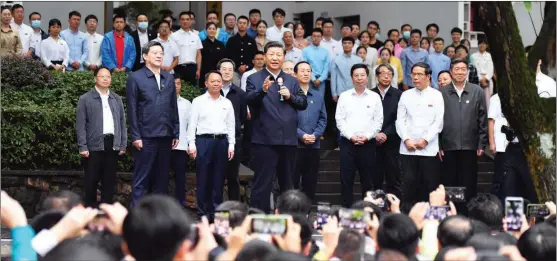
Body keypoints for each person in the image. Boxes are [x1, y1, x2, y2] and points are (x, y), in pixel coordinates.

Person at [246, 41, 308, 213]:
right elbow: (249, 100)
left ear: (284, 57)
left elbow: (303, 103)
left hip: (288, 139)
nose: (275, 58)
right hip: (264, 140)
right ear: (264, 57)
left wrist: (290, 96)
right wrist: (263, 91)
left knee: (288, 184)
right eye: (271, 54)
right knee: (262, 183)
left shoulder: (292, 80)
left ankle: (289, 219)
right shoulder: (254, 79)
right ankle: (258, 218)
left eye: (278, 55)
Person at [126, 41, 179, 207]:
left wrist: (175, 132)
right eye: (155, 52)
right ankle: (137, 217)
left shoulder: (168, 77)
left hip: (165, 135)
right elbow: (132, 108)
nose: (159, 56)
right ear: (145, 56)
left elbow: (173, 106)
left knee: (162, 179)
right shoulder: (136, 77)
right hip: (145, 136)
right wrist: (135, 135)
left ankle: (157, 217)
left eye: (161, 53)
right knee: (142, 177)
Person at [439, 58, 487, 214]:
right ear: (451, 71)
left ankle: (468, 213)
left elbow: (482, 118)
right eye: (457, 69)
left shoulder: (476, 91)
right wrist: (439, 145)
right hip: (448, 145)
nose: (460, 72)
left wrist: (481, 144)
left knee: (469, 181)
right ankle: (451, 212)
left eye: (463, 69)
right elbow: (437, 121)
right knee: (450, 181)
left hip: (470, 145)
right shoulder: (442, 92)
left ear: (467, 71)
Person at [187, 70, 236, 219]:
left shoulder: (227, 103)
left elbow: (231, 125)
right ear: (206, 83)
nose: (216, 83)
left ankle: (216, 213)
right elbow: (192, 124)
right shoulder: (198, 101)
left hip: (222, 142)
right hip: (204, 141)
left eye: (218, 81)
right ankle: (202, 212)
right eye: (213, 81)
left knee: (219, 178)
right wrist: (191, 143)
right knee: (203, 178)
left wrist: (231, 144)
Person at [76, 67, 127, 207]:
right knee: (91, 181)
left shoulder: (116, 99)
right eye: (102, 76)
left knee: (109, 181)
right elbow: (80, 124)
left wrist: (123, 144)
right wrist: (83, 146)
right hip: (93, 145)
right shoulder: (85, 99)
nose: (106, 79)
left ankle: (106, 212)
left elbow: (122, 122)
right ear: (95, 78)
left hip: (112, 144)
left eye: (108, 76)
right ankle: (90, 212)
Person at [396, 62, 444, 208]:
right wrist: (406, 139)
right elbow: (400, 120)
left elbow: (438, 122)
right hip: (408, 148)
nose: (415, 78)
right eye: (413, 74)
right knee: (408, 185)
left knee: (428, 185)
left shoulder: (436, 95)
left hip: (428, 149)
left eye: (419, 74)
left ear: (428, 76)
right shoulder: (405, 95)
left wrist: (425, 139)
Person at [336, 63, 383, 207]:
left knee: (368, 181)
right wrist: (351, 136)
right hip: (347, 144)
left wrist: (367, 136)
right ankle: (346, 210)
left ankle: (368, 210)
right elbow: (339, 120)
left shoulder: (375, 97)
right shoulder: (344, 96)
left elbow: (378, 121)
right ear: (351, 78)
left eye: (362, 75)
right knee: (346, 180)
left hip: (368, 144)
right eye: (356, 75)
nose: (359, 78)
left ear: (367, 77)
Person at [293, 61, 327, 201]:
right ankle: (293, 212)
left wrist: (315, 135)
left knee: (310, 181)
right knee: (293, 181)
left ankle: (307, 212)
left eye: (308, 71)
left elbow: (323, 119)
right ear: (295, 74)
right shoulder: (291, 95)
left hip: (313, 145)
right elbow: (287, 120)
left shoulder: (318, 95)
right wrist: (301, 135)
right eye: (302, 71)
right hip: (295, 144)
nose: (306, 73)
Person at [217, 58, 248, 201]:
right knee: (215, 176)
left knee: (233, 177)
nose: (227, 72)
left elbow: (241, 117)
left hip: (234, 139)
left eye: (230, 69)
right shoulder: (210, 91)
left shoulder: (240, 93)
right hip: (214, 138)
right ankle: (214, 210)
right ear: (218, 71)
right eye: (224, 69)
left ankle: (234, 211)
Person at [372, 64, 403, 198]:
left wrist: (386, 133)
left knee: (394, 177)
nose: (386, 76)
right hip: (373, 142)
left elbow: (401, 119)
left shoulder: (400, 95)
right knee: (374, 178)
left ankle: (395, 207)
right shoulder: (370, 94)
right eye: (383, 73)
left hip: (393, 142)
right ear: (377, 76)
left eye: (389, 74)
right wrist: (375, 134)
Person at [171, 76, 191, 207]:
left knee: (180, 176)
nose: (176, 86)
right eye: (174, 84)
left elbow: (191, 125)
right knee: (160, 175)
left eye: (178, 83)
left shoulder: (187, 104)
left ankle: (180, 203)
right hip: (164, 145)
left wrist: (190, 144)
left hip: (181, 145)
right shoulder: (161, 101)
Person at [171, 11, 202, 86]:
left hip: (192, 68)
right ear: (179, 21)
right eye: (183, 19)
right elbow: (171, 54)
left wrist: (198, 70)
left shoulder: (195, 36)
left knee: (192, 91)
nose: (185, 21)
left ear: (191, 21)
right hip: (178, 68)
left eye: (187, 19)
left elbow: (198, 55)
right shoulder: (173, 36)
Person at [226, 15, 257, 87]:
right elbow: (227, 56)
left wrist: (246, 66)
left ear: (247, 25)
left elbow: (254, 56)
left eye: (244, 23)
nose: (242, 25)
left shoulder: (251, 40)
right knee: (235, 90)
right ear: (237, 24)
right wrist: (237, 67)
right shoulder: (231, 40)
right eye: (240, 23)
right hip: (234, 71)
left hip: (249, 70)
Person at [331, 37, 362, 101]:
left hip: (355, 90)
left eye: (349, 43)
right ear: (342, 45)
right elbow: (333, 77)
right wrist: (333, 93)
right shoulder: (336, 59)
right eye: (344, 43)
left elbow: (361, 77)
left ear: (353, 45)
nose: (347, 45)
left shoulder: (358, 60)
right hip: (340, 91)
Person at [302, 28, 330, 97]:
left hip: (321, 81)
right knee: (308, 100)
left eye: (318, 36)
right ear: (311, 37)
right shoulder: (305, 50)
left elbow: (326, 68)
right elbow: (305, 65)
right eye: (314, 36)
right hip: (308, 79)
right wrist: (313, 79)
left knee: (320, 100)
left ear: (321, 38)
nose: (316, 38)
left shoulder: (325, 51)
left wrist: (320, 80)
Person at [471, 39, 494, 107]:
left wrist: (485, 78)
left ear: (486, 46)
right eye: (480, 43)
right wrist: (480, 79)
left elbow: (491, 69)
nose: (482, 45)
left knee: (487, 100)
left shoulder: (490, 56)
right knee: (476, 98)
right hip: (477, 80)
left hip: (487, 80)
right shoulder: (473, 56)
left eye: (484, 44)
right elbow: (474, 68)